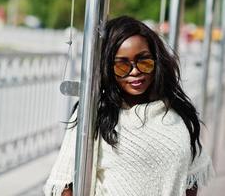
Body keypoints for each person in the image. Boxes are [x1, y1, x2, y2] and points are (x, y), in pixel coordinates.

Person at [43, 15, 214, 196]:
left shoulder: (177, 114)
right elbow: (65, 185)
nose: (135, 72)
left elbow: (191, 178)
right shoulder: (94, 115)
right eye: (122, 66)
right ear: (108, 67)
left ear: (157, 61)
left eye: (144, 61)